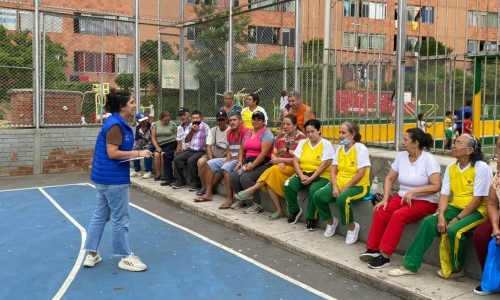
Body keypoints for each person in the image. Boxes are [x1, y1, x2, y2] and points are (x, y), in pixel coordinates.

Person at [388, 134, 492, 278]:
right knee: (429, 222)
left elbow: (477, 200)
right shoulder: (451, 167)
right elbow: (444, 194)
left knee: (455, 230)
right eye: (454, 142)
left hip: (478, 210)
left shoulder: (481, 167)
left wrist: (456, 219)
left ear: (469, 150)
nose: (453, 145)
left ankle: (457, 268)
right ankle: (409, 265)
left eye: (458, 143)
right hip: (455, 206)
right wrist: (441, 216)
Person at [83, 89, 151, 272]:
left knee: (101, 216)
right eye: (132, 102)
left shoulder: (116, 122)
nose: (135, 105)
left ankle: (91, 254)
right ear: (122, 106)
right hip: (113, 180)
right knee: (121, 218)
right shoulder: (115, 125)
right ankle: (125, 256)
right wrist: (139, 153)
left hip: (104, 178)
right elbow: (113, 153)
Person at [359, 128, 442, 268]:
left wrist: (414, 192)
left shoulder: (429, 160)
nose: (402, 142)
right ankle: (373, 249)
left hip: (425, 200)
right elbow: (390, 178)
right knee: (381, 210)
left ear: (415, 143)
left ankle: (385, 256)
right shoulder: (402, 156)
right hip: (403, 196)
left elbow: (436, 186)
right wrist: (385, 199)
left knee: (398, 215)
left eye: (405, 140)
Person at [234, 114, 306, 219]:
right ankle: (279, 210)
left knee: (272, 170)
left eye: (288, 124)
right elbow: (273, 153)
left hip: (294, 167)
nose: (285, 126)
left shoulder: (302, 139)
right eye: (283, 124)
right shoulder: (280, 136)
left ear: (295, 125)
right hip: (279, 166)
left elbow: (299, 159)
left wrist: (281, 160)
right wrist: (277, 161)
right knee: (270, 180)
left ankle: (252, 189)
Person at [312, 121, 371, 244]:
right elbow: (333, 171)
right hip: (339, 184)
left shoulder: (360, 149)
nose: (340, 135)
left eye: (343, 133)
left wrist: (344, 188)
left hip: (359, 186)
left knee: (342, 199)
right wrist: (334, 187)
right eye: (339, 132)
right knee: (318, 196)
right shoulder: (339, 150)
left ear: (352, 135)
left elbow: (361, 173)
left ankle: (352, 228)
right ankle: (331, 222)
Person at [284, 119, 334, 230]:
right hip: (304, 173)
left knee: (313, 191)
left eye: (313, 131)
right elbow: (295, 161)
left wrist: (311, 178)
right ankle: (294, 211)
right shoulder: (303, 143)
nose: (310, 134)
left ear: (319, 131)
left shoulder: (326, 144)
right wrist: (301, 175)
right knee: (288, 185)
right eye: (308, 132)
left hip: (321, 176)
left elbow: (324, 165)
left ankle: (311, 217)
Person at [194, 109, 249, 208]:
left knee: (226, 167)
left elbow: (245, 150)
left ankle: (230, 198)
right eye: (231, 120)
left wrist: (235, 161)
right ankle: (208, 193)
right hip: (231, 158)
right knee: (209, 163)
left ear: (241, 121)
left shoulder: (246, 131)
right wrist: (228, 160)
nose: (232, 122)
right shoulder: (229, 132)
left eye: (234, 120)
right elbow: (229, 149)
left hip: (241, 159)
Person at [230, 111, 274, 214]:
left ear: (263, 122)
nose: (256, 121)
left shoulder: (266, 133)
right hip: (248, 162)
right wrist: (240, 160)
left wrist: (253, 165)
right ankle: (242, 200)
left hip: (263, 163)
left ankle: (257, 204)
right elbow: (242, 149)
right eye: (254, 119)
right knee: (234, 176)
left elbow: (264, 153)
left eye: (259, 119)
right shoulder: (248, 133)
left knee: (246, 178)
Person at [472, 135, 500, 296]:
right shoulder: (498, 173)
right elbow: (492, 203)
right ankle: (491, 278)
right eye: (498, 146)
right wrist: (496, 227)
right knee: (482, 234)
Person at [172, 109, 210, 190]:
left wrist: (207, 155)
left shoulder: (206, 127)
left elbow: (208, 143)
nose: (195, 120)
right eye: (193, 118)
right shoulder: (190, 126)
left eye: (197, 118)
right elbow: (186, 140)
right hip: (191, 150)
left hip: (201, 151)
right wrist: (192, 131)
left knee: (191, 160)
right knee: (177, 159)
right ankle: (180, 181)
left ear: (201, 119)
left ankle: (195, 184)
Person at [195, 110, 229, 197]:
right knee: (201, 162)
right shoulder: (213, 130)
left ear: (226, 120)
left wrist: (220, 157)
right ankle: (204, 185)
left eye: (222, 120)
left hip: (225, 154)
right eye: (219, 120)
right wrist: (211, 159)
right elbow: (208, 146)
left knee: (222, 166)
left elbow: (230, 149)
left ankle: (208, 188)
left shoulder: (230, 131)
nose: (220, 122)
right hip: (213, 153)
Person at [160, 107, 190, 186]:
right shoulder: (179, 127)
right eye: (180, 115)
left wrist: (181, 152)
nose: (182, 117)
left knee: (177, 157)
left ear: (188, 115)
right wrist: (177, 151)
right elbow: (179, 143)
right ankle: (169, 179)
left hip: (190, 150)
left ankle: (179, 181)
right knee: (166, 155)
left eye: (184, 115)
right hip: (182, 150)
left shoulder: (193, 126)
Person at [150, 111, 177, 181]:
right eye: (165, 120)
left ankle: (165, 174)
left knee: (163, 154)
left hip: (171, 143)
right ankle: (158, 174)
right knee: (156, 154)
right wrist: (157, 147)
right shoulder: (155, 124)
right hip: (160, 144)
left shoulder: (173, 125)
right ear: (161, 119)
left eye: (168, 120)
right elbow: (153, 137)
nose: (167, 121)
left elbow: (177, 136)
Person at [130, 112, 155, 179]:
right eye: (142, 120)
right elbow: (137, 140)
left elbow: (154, 138)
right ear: (138, 121)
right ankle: (137, 170)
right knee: (134, 150)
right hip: (143, 144)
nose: (144, 122)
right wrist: (138, 148)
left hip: (152, 144)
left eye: (145, 119)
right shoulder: (138, 128)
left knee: (147, 151)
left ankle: (148, 171)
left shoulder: (151, 126)